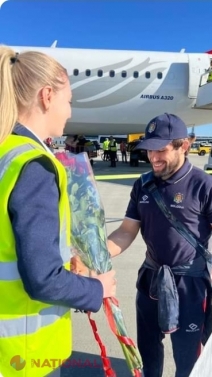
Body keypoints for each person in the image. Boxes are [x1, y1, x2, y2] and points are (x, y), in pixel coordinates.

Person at [0, 47, 116, 377]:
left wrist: (67, 262)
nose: (69, 112)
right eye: (69, 101)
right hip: (21, 356)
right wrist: (97, 289)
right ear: (47, 96)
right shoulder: (33, 165)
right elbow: (41, 280)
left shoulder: (5, 151)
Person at [106, 113, 212, 376]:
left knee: (189, 360)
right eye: (149, 150)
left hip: (189, 285)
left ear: (184, 145)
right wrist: (95, 255)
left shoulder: (206, 186)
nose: (153, 157)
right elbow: (125, 232)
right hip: (151, 278)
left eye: (161, 149)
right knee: (147, 352)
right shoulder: (143, 185)